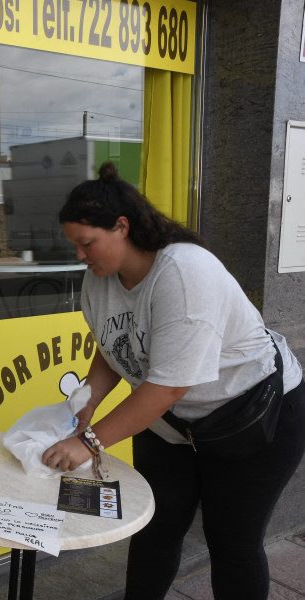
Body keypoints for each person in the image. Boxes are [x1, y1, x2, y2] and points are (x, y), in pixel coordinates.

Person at [41, 163, 305, 600]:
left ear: (121, 227)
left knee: (232, 544)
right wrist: (87, 399)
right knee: (155, 527)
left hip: (254, 414)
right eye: (74, 245)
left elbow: (168, 387)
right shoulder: (99, 279)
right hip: (171, 423)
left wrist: (88, 442)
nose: (80, 256)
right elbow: (111, 344)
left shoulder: (183, 272)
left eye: (86, 243)